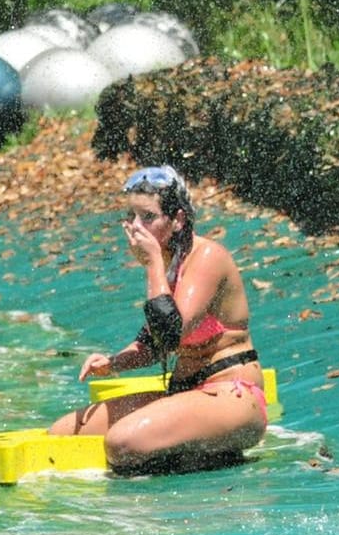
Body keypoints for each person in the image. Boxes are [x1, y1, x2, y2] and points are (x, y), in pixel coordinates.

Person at [49, 165, 267, 472]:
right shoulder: (169, 263)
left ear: (177, 219)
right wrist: (113, 362)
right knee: (62, 433)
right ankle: (188, 450)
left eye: (148, 217)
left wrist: (151, 264)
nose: (136, 227)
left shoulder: (207, 258)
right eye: (132, 217)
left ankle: (204, 456)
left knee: (122, 443)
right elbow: (154, 345)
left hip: (233, 397)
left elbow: (171, 334)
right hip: (186, 393)